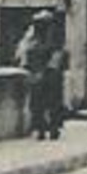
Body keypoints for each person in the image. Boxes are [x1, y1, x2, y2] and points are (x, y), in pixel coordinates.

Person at [16, 10, 56, 141]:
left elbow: (56, 58)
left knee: (49, 104)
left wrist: (47, 70)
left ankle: (51, 128)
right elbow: (23, 56)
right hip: (37, 76)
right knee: (38, 104)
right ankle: (41, 129)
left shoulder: (51, 40)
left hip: (47, 76)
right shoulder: (31, 40)